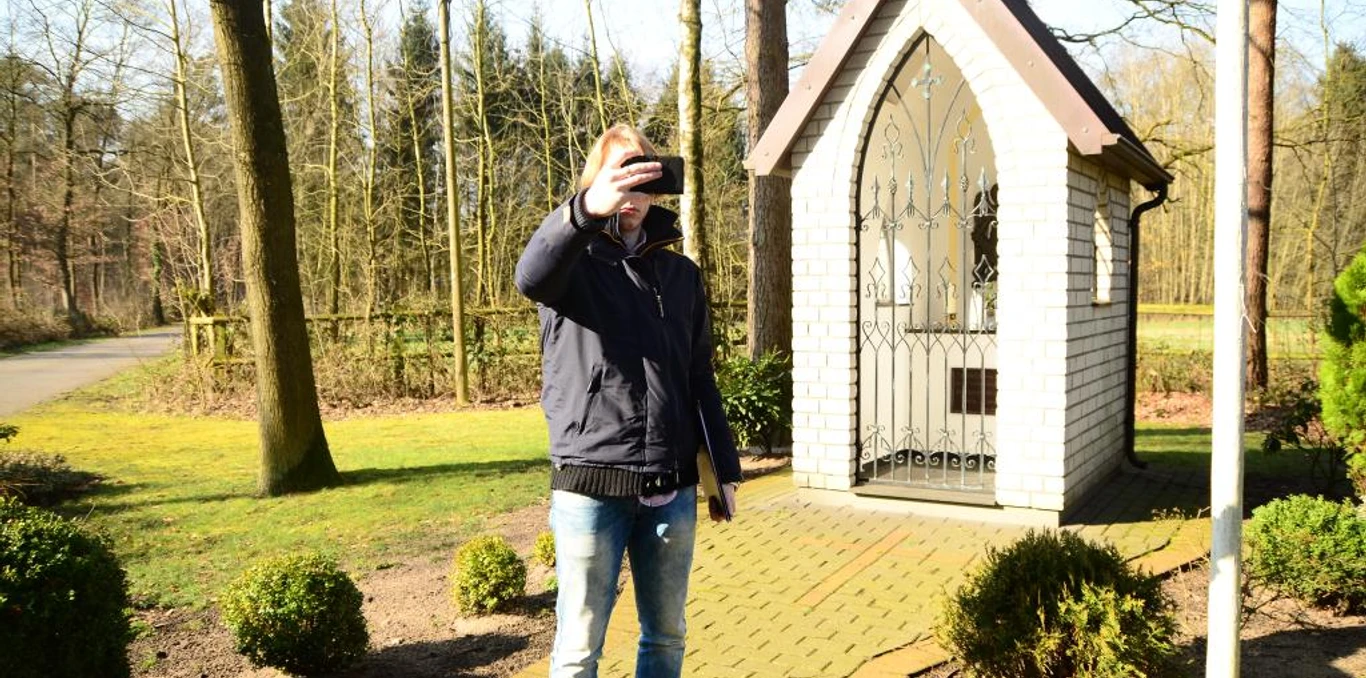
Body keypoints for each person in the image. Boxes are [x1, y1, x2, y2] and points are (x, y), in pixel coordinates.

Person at [514, 124, 742, 678]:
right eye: (622, 179)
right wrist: (587, 210)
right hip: (592, 487)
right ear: (597, 184)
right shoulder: (571, 267)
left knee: (666, 637)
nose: (632, 196)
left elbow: (698, 377)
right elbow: (530, 275)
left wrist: (724, 471)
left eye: (644, 181)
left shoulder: (681, 275)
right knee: (578, 649)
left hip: (672, 488)